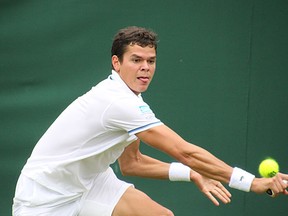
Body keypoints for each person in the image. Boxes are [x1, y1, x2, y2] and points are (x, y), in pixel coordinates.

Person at [13, 26, 288, 216]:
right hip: (44, 198)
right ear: (116, 63)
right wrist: (251, 183)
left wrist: (192, 174)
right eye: (136, 60)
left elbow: (132, 164)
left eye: (151, 60)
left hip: (90, 182)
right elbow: (185, 151)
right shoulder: (118, 102)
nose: (145, 67)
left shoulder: (132, 102)